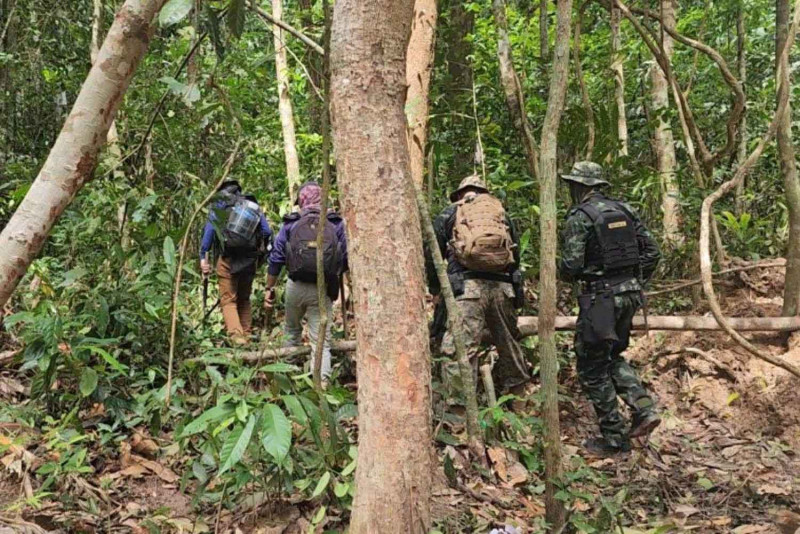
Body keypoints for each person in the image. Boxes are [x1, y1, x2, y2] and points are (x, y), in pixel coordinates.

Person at [559, 161, 662, 456]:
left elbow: (571, 265)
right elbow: (653, 252)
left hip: (601, 300)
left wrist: (567, 273)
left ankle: (615, 439)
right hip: (630, 296)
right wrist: (633, 280)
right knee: (613, 354)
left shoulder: (580, 217)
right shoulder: (625, 210)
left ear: (580, 187)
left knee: (592, 367)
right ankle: (643, 407)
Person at [428, 174, 530, 397]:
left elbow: (432, 253)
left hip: (467, 289)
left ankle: (459, 411)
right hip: (503, 288)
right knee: (509, 343)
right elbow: (516, 255)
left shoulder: (451, 212)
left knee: (460, 350)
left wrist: (435, 289)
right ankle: (520, 399)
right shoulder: (501, 214)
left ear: (459, 194)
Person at [265, 182, 347, 382]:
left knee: (291, 331)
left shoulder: (291, 224)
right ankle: (322, 387)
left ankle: (286, 383)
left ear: (301, 201)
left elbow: (276, 259)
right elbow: (345, 258)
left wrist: (270, 287)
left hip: (295, 286)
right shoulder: (336, 224)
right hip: (323, 288)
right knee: (321, 342)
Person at [200, 180, 273, 346]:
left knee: (228, 300)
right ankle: (246, 337)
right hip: (249, 260)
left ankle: (237, 339)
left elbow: (208, 238)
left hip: (228, 259)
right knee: (244, 299)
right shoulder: (251, 206)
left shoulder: (218, 208)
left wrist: (203, 258)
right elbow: (267, 231)